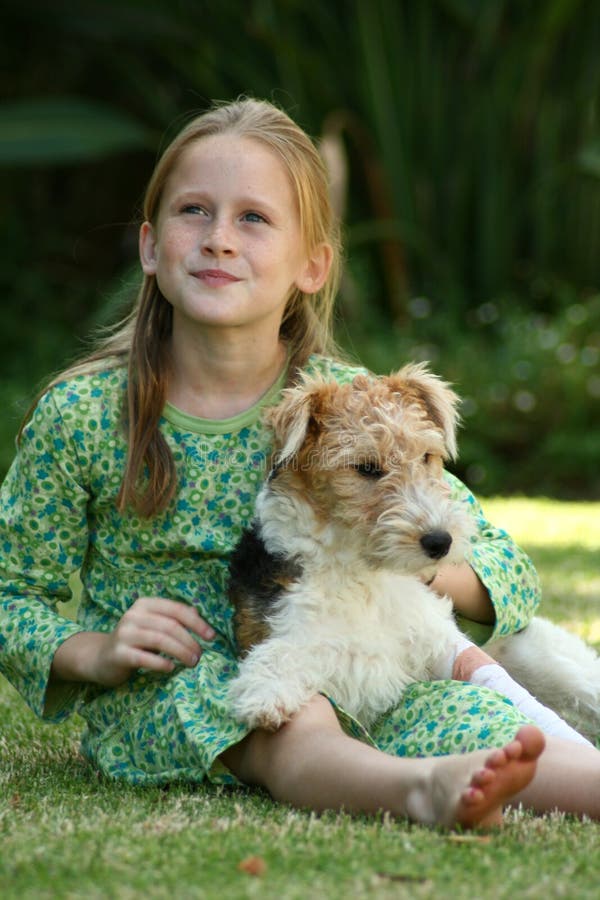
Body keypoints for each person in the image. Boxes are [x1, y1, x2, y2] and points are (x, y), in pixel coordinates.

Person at [0, 97, 598, 829]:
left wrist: (414, 560)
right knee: (290, 719)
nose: (219, 239)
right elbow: (11, 591)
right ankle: (418, 791)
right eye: (195, 211)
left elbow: (507, 568)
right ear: (151, 247)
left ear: (313, 264)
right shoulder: (85, 416)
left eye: (253, 218)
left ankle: (535, 776)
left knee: (503, 733)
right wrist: (93, 651)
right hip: (182, 692)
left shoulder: (353, 406)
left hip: (364, 660)